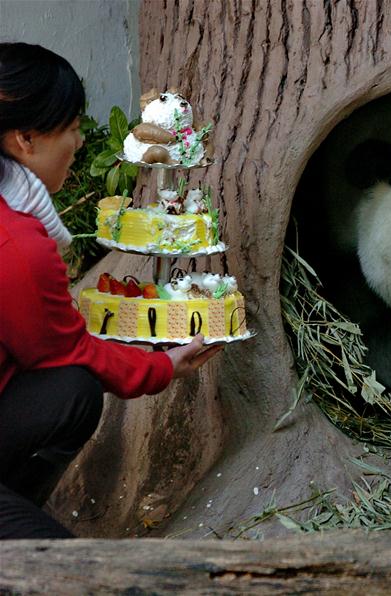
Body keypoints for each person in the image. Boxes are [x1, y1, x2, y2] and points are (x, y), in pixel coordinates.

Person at [0, 42, 224, 538]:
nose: (79, 143)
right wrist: (164, 366)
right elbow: (67, 350)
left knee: (72, 393)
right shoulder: (17, 244)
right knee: (62, 567)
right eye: (74, 128)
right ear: (25, 139)